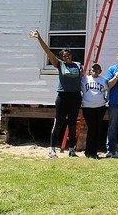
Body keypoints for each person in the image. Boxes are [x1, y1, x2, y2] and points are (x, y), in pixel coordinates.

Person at [29, 30, 84, 158]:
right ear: (62, 57)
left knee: (72, 123)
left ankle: (71, 150)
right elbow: (48, 51)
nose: (67, 57)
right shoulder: (60, 64)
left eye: (68, 55)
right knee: (58, 122)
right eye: (64, 56)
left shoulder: (78, 65)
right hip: (63, 97)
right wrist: (39, 38)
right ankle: (52, 149)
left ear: (71, 55)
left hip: (75, 97)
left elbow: (83, 79)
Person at [81, 63, 108, 159]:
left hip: (100, 107)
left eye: (97, 69)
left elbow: (108, 89)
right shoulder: (85, 79)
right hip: (88, 107)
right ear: (90, 70)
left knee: (97, 129)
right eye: (93, 69)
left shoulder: (103, 80)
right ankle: (89, 151)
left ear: (100, 71)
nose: (95, 71)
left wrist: (106, 99)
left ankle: (93, 152)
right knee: (92, 128)